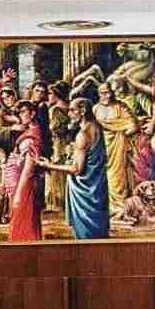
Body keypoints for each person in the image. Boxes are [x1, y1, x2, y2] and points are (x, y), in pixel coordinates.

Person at [37, 98, 111, 239]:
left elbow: (76, 169)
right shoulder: (96, 127)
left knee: (85, 234)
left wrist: (48, 165)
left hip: (85, 193)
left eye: (72, 110)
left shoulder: (82, 135)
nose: (69, 114)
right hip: (97, 188)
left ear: (82, 111)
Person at [93, 82, 139, 212]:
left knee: (117, 176)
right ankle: (103, 206)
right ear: (99, 94)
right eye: (103, 93)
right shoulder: (95, 109)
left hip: (118, 147)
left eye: (108, 92)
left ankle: (118, 206)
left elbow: (133, 125)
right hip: (100, 146)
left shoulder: (121, 107)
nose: (106, 96)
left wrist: (121, 133)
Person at [5, 101, 45, 241]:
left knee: (23, 219)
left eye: (23, 112)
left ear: (32, 113)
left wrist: (18, 194)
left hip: (25, 184)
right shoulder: (30, 131)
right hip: (21, 181)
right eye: (18, 113)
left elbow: (29, 168)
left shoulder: (33, 136)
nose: (20, 115)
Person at [44, 81, 72, 213]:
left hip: (58, 143)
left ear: (57, 94)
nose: (48, 96)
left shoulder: (54, 110)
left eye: (50, 93)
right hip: (69, 143)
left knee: (56, 169)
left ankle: (57, 204)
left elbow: (53, 128)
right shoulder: (70, 107)